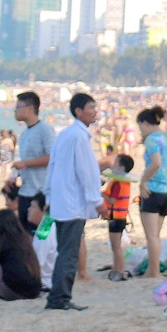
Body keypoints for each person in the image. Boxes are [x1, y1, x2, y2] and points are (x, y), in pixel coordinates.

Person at [44, 93, 104, 311]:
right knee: (69, 254)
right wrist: (97, 201)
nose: (94, 111)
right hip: (71, 203)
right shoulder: (77, 136)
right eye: (90, 107)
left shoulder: (67, 134)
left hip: (63, 201)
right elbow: (87, 172)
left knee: (65, 251)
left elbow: (52, 167)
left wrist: (49, 195)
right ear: (78, 111)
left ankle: (58, 297)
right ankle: (59, 299)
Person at [136, 106, 167, 280]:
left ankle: (153, 271)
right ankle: (152, 269)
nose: (140, 130)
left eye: (140, 126)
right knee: (156, 235)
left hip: (153, 189)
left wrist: (143, 181)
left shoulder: (152, 140)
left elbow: (156, 163)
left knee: (151, 235)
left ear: (145, 122)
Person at [10, 92, 53, 228]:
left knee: (38, 235)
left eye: (18, 107)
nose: (15, 111)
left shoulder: (45, 130)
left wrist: (25, 164)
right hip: (25, 191)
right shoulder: (24, 134)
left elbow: (52, 157)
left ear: (30, 108)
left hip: (40, 193)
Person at [101, 154, 135, 281]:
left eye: (115, 163)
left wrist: (102, 194)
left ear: (121, 167)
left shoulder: (118, 183)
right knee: (116, 246)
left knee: (116, 246)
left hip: (116, 218)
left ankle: (119, 271)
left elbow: (112, 200)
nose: (113, 166)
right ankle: (118, 269)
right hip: (120, 217)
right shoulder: (123, 182)